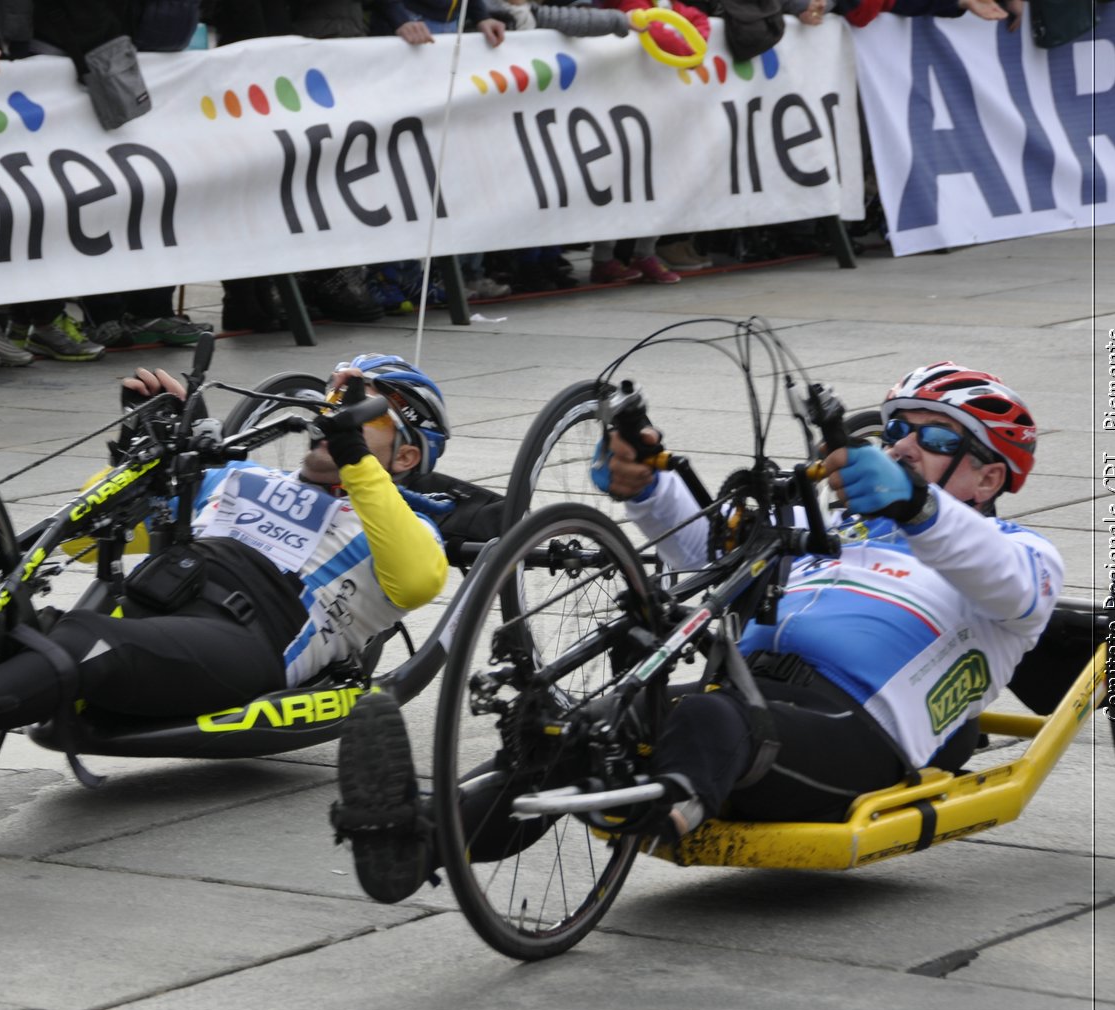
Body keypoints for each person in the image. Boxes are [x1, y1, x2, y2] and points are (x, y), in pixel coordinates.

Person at [338, 361, 1062, 903]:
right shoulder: (838, 529)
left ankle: (670, 803)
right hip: (747, 697)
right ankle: (415, 836)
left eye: (930, 438)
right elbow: (717, 560)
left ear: (989, 478)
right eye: (895, 428)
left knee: (715, 717)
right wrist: (650, 485)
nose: (902, 445)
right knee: (578, 728)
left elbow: (994, 570)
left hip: (856, 734)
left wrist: (916, 507)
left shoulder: (1027, 561)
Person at [0, 354, 455, 786]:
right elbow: (85, 540)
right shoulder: (243, 479)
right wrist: (141, 449)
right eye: (332, 404)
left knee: (87, 641)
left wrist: (361, 463)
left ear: (408, 452)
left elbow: (420, 581)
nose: (332, 417)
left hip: (249, 642)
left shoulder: (406, 522)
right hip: (159, 603)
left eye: (361, 411)